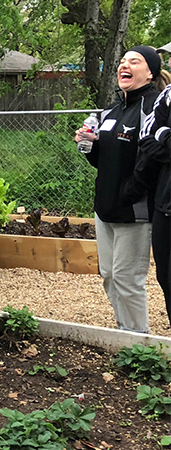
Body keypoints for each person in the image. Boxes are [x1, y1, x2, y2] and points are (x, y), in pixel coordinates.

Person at [79, 46, 168, 333]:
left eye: (134, 61)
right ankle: (124, 333)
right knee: (109, 275)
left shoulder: (154, 107)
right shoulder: (112, 110)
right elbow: (102, 161)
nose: (124, 66)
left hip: (134, 209)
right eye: (121, 61)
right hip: (104, 208)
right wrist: (89, 146)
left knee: (127, 277)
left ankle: (139, 342)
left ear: (150, 72)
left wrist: (131, 191)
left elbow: (152, 157)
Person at [138, 61, 171, 327]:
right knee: (166, 276)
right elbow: (146, 135)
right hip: (166, 204)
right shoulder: (168, 95)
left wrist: (164, 136)